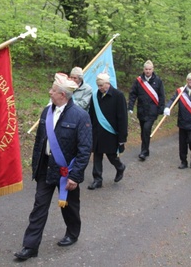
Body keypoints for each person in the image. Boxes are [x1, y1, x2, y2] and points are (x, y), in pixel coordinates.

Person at [14, 73, 92, 261]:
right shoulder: (46, 112)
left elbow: (85, 149)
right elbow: (40, 142)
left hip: (66, 172)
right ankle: (30, 246)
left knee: (69, 207)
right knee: (39, 207)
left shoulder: (80, 116)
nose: (50, 92)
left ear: (63, 95)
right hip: (45, 168)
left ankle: (72, 233)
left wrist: (75, 175)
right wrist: (35, 166)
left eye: (53, 90)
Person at [88, 73, 128, 189]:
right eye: (98, 86)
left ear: (108, 83)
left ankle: (120, 167)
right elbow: (91, 114)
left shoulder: (118, 95)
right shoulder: (95, 96)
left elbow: (122, 118)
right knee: (97, 155)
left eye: (101, 85)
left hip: (111, 132)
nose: (100, 88)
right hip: (97, 131)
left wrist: (122, 137)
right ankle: (97, 179)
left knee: (111, 156)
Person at [163, 73, 191, 169]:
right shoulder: (180, 92)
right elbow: (172, 100)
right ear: (187, 80)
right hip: (183, 122)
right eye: (189, 80)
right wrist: (167, 107)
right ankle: (183, 161)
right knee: (182, 144)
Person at [128, 60, 165, 161]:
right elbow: (133, 94)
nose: (148, 71)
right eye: (146, 69)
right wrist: (130, 107)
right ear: (143, 70)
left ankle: (143, 152)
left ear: (153, 69)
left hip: (152, 111)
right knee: (143, 131)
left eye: (149, 69)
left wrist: (161, 109)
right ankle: (146, 149)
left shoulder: (158, 81)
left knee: (146, 129)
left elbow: (162, 95)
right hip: (141, 110)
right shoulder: (138, 81)